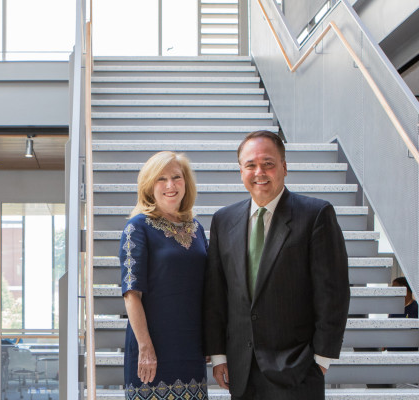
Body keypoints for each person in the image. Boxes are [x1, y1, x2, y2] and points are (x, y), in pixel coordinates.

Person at [203, 130, 350, 399]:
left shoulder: (316, 215)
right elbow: (216, 293)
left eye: (268, 163)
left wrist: (322, 357)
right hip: (241, 368)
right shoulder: (223, 220)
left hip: (297, 369)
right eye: (250, 165)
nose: (259, 171)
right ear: (240, 171)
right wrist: (219, 354)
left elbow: (333, 291)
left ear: (284, 166)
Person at [119, 151, 208, 400]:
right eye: (161, 179)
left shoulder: (197, 228)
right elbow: (131, 294)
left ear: (186, 183)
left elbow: (207, 289)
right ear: (149, 186)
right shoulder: (137, 227)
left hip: (191, 347)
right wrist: (146, 348)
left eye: (176, 177)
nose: (170, 185)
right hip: (152, 348)